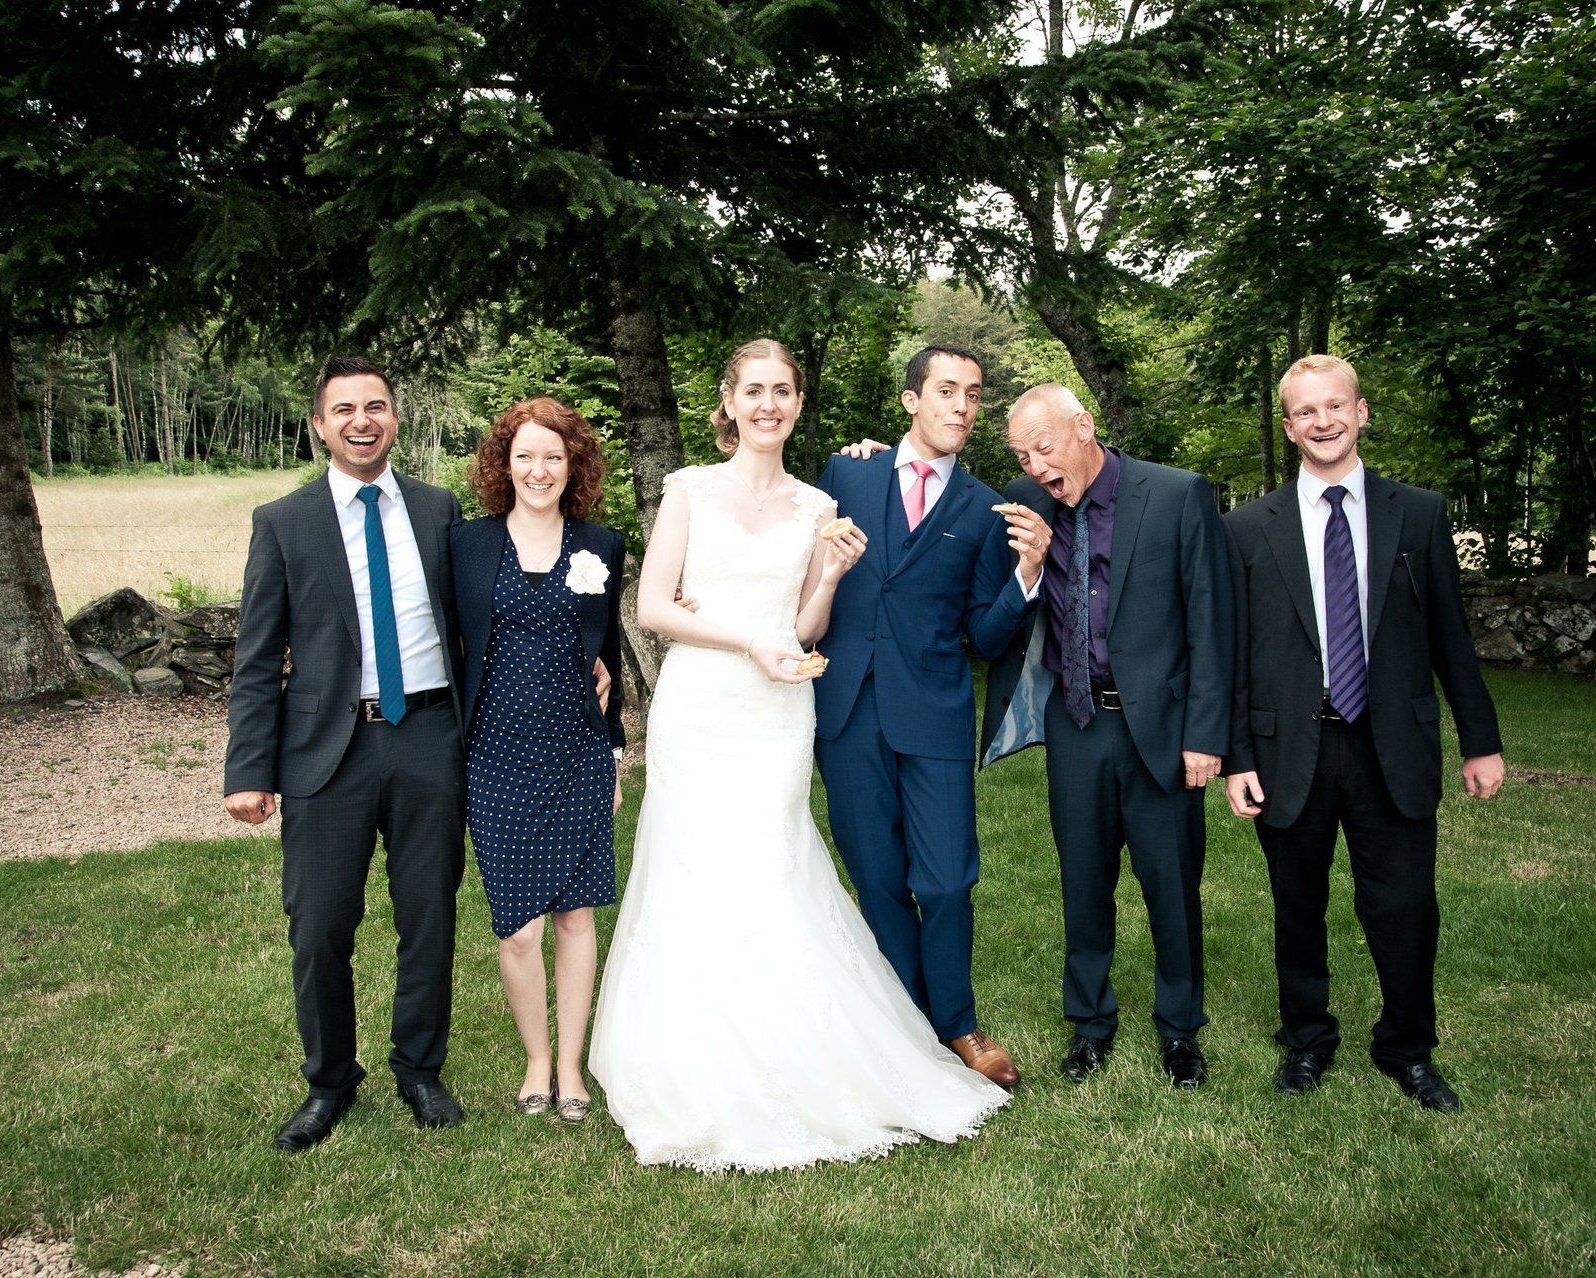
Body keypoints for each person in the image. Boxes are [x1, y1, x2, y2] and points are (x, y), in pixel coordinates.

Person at [590, 338, 1011, 1172]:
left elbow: (812, 620)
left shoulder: (823, 499)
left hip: (782, 707)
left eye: (783, 391)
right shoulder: (688, 489)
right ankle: (698, 1051)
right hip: (705, 707)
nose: (769, 404)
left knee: (778, 870)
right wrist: (752, 640)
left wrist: (823, 581)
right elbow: (652, 606)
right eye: (754, 390)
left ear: (798, 403)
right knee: (692, 871)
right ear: (729, 399)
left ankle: (882, 1030)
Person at [1222, 354, 1504, 1112]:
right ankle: (1306, 1040)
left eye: (1335, 406)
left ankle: (1408, 1049)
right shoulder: (1248, 528)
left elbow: (1451, 634)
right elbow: (1235, 655)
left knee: (1406, 907)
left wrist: (1480, 739)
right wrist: (1237, 758)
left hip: (1392, 747)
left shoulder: (1417, 514)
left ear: (1362, 411)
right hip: (1291, 751)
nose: (1323, 421)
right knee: (1298, 906)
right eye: (1306, 412)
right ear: (1289, 428)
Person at [223, 355, 468, 1151]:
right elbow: (258, 658)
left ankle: (420, 1070)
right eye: (346, 410)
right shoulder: (283, 523)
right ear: (320, 425)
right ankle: (329, 1083)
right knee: (320, 923)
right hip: (328, 750)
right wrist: (249, 770)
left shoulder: (439, 510)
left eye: (377, 406)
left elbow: (475, 622)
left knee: (428, 915)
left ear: (396, 417)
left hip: (430, 736)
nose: (363, 420)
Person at [980, 384, 1234, 1089]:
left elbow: (1212, 624)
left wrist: (1206, 735)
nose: (1033, 464)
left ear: (1084, 427)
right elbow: (939, 500)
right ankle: (1091, 1024)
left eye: (1044, 446)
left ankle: (1181, 1031)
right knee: (1082, 883)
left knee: (1172, 888)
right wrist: (877, 459)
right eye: (1021, 454)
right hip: (1076, 725)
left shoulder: (1177, 494)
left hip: (1161, 729)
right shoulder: (1023, 503)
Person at [811, 345, 1048, 1090]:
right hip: (847, 711)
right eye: (946, 391)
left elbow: (984, 634)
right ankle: (911, 1024)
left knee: (946, 882)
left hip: (936, 714)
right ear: (912, 400)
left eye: (974, 396)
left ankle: (959, 1023)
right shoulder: (846, 474)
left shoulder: (985, 509)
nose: (962, 407)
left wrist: (1026, 576)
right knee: (878, 880)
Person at [451, 397, 625, 1125]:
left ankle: (572, 1066)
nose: (539, 468)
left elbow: (608, 656)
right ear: (503, 463)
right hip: (494, 753)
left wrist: (615, 749)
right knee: (517, 925)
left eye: (553, 455)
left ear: (573, 464)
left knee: (576, 918)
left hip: (576, 751)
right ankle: (534, 1060)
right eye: (525, 454)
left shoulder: (602, 546)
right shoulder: (466, 544)